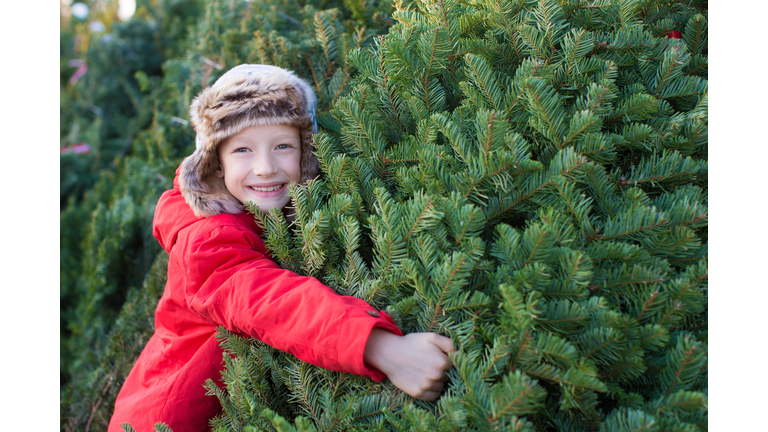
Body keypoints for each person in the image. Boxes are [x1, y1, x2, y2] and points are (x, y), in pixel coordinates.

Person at [108, 64, 455, 431]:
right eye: (242, 149)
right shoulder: (205, 235)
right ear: (215, 164)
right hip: (167, 418)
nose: (264, 167)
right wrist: (380, 348)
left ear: (306, 153)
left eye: (283, 146)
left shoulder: (271, 209)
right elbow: (264, 299)